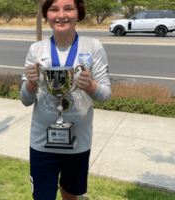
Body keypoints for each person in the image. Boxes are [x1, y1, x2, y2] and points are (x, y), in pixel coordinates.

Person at [20, 0, 111, 199]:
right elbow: (25, 100)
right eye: (54, 9)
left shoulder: (93, 46)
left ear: (79, 13)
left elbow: (106, 94)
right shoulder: (36, 49)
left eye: (69, 8)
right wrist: (31, 84)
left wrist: (92, 87)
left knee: (71, 195)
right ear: (46, 16)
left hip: (78, 141)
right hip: (42, 142)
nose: (61, 15)